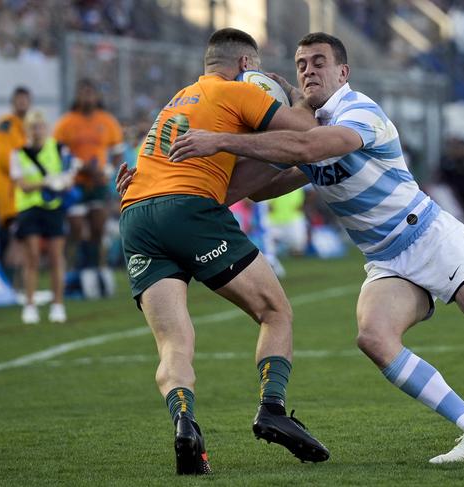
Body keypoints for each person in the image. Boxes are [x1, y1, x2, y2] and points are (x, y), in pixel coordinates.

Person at [164, 32, 464, 464]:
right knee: (374, 338)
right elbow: (257, 188)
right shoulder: (307, 128)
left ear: (343, 73)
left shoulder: (359, 112)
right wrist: (177, 176)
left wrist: (224, 138)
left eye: (318, 62)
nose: (308, 70)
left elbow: (310, 150)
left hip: (432, 239)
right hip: (387, 261)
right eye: (301, 64)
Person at [118, 28, 328, 475]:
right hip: (189, 210)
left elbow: (252, 184)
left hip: (135, 216)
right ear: (247, 67)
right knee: (275, 311)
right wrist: (293, 96)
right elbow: (310, 133)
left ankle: (184, 424)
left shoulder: (178, 100)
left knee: (174, 342)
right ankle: (272, 407)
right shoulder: (238, 92)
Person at [53, 79, 124, 298]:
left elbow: (118, 150)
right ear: (77, 96)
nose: (87, 97)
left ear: (96, 96)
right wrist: (76, 166)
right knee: (76, 230)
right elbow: (57, 152)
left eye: (90, 93)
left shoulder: (107, 121)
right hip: (75, 184)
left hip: (98, 183)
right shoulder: (66, 122)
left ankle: (96, 270)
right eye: (83, 93)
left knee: (98, 228)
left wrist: (108, 170)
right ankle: (74, 270)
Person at [10, 111, 73, 324]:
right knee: (33, 257)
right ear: (27, 130)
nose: (37, 131)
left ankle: (58, 304)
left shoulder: (58, 148)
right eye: (33, 127)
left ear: (46, 128)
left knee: (56, 256)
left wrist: (63, 182)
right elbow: (22, 185)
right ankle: (30, 305)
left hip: (53, 208)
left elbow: (69, 175)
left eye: (40, 126)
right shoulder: (18, 153)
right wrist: (47, 182)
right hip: (29, 208)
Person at [0, 87, 31, 277]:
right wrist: (25, 171)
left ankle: (14, 285)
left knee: (21, 239)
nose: (22, 102)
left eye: (25, 99)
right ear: (13, 102)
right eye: (19, 99)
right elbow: (1, 157)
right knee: (8, 239)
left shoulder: (28, 126)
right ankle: (4, 283)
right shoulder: (6, 124)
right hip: (9, 191)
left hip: (26, 192)